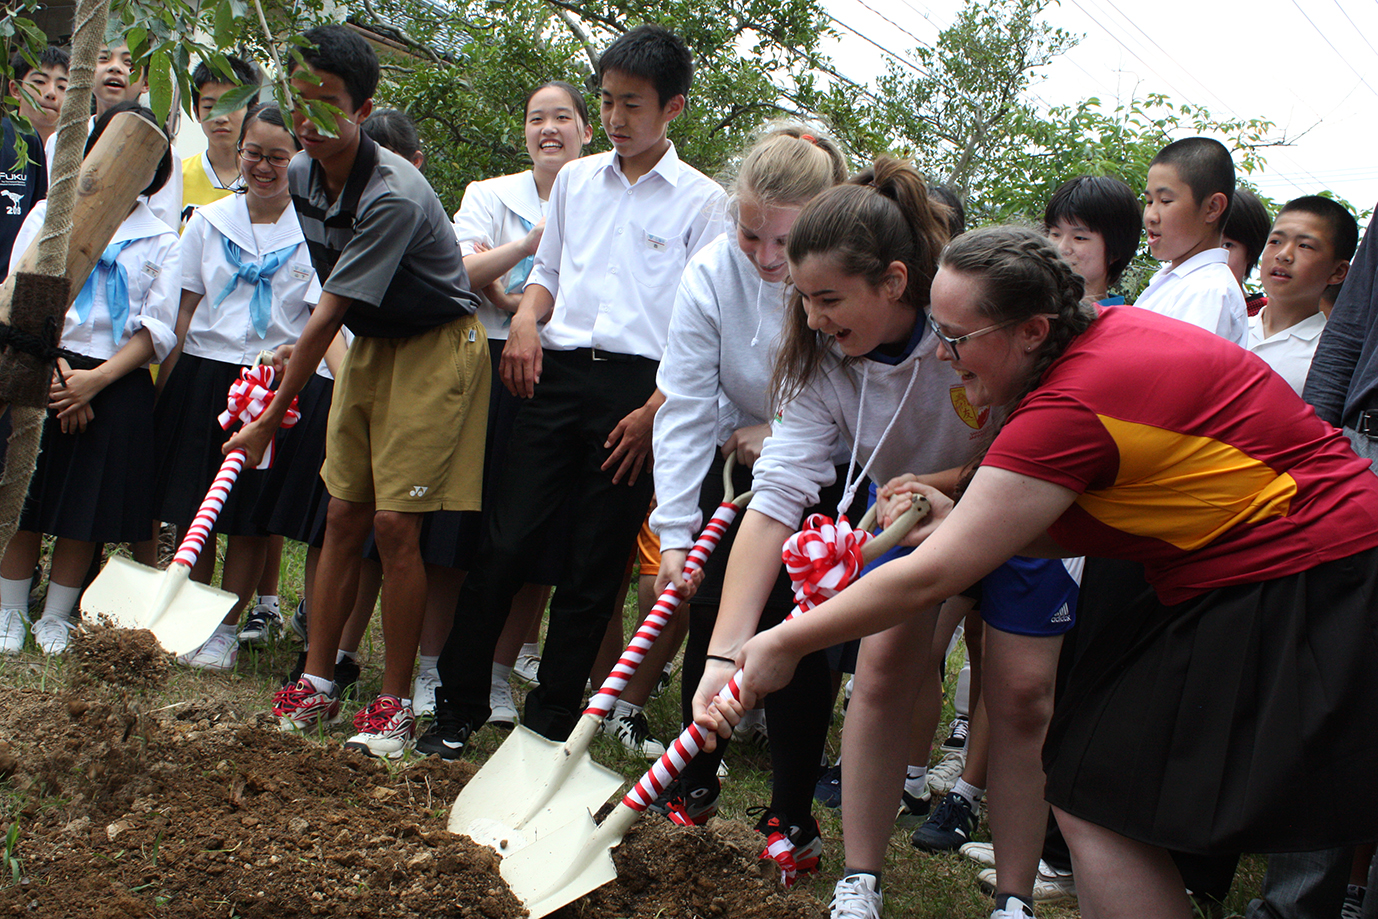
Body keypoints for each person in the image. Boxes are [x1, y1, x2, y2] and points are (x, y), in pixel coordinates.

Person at [719, 225, 1378, 919]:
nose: (943, 353)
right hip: (1261, 569)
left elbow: (930, 574)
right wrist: (965, 511)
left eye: (959, 336)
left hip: (1310, 575)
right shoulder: (1102, 342)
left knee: (1101, 797)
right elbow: (1036, 512)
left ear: (1033, 329)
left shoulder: (1071, 401)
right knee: (1098, 790)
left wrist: (784, 642)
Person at [419, 24, 726, 756]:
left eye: (634, 104)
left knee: (596, 566)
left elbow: (701, 327)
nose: (616, 118)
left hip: (637, 395)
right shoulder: (579, 182)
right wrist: (524, 315)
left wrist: (657, 412)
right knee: (505, 542)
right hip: (553, 379)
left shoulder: (702, 203)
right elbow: (548, 274)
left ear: (673, 108)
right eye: (609, 101)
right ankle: (456, 706)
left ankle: (549, 724)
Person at [227, 25, 488, 761]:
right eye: (298, 99)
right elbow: (328, 307)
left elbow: (329, 311)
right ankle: (317, 677)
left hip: (436, 346)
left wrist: (272, 416)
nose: (308, 119)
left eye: (327, 103)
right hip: (374, 344)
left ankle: (396, 701)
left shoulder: (393, 194)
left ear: (364, 107)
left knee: (396, 527)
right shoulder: (304, 176)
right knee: (343, 512)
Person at [645, 122, 849, 862]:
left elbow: (853, 382)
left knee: (799, 631)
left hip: (832, 471)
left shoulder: (844, 270)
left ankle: (791, 815)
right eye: (750, 235)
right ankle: (694, 780)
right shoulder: (709, 273)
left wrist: (786, 428)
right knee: (711, 613)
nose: (766, 258)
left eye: (782, 242)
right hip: (734, 461)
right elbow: (687, 405)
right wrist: (673, 532)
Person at [155, 102, 335, 670]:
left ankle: (224, 631)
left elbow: (317, 325)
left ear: (299, 160)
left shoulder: (314, 234)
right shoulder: (208, 222)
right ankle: (186, 616)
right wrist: (162, 386)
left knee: (249, 516)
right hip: (205, 374)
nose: (263, 166)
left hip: (274, 385)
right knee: (195, 506)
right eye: (253, 153)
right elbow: (183, 311)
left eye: (278, 157)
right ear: (239, 152)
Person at [0, 102, 178, 655]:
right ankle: (8, 611)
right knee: (25, 489)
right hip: (39, 362)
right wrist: (59, 373)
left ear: (157, 169)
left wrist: (93, 382)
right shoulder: (51, 215)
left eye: (145, 158)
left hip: (114, 379)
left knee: (85, 504)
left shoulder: (162, 239)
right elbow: (24, 291)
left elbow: (157, 328)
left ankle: (57, 615)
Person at [447, 82, 592, 725]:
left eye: (563, 117)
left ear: (587, 130)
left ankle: (501, 672)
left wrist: (516, 294)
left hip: (555, 376)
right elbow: (457, 273)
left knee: (536, 539)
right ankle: (439, 669)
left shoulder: (602, 199)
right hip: (482, 366)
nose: (549, 129)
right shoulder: (487, 194)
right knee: (466, 528)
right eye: (537, 118)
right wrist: (533, 245)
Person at [45, 37, 182, 232]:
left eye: (129, 63)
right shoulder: (61, 140)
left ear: (146, 82)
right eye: (103, 58)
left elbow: (163, 226)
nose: (115, 68)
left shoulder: (162, 151)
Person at [1136, 136, 1247, 346]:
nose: (1151, 215)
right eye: (1149, 201)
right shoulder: (1178, 281)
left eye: (1165, 201)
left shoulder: (1208, 292)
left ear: (1212, 208)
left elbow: (1182, 375)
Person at [1247, 195, 1357, 396]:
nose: (1283, 255)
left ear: (1338, 272)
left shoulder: (1330, 356)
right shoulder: (1232, 325)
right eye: (1276, 241)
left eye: (1304, 245)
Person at [2, 47, 66, 279]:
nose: (51, 93)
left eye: (62, 87)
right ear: (15, 89)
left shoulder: (76, 153)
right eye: (40, 81)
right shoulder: (3, 139)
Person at [180, 55, 261, 226]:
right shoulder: (176, 177)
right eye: (210, 107)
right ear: (196, 111)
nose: (221, 117)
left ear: (252, 109)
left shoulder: (265, 180)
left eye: (232, 105)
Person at [1043, 175, 1140, 304]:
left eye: (1079, 238)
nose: (1061, 248)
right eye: (1055, 234)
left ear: (1115, 252)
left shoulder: (1121, 322)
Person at [1222, 188, 1271, 312]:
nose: (1215, 255)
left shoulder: (1264, 318)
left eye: (1227, 245)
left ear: (1250, 253)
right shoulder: (1172, 308)